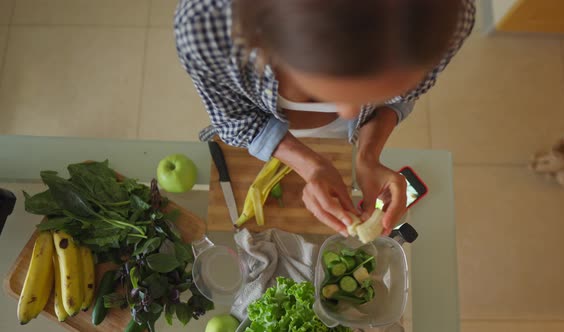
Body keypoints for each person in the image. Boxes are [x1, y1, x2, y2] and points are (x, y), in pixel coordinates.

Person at [175, 0, 475, 236]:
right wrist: (308, 163)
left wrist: (367, 157)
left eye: (375, 94)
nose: (351, 115)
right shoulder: (205, 28)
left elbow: (403, 98)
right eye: (316, 93)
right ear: (264, 43)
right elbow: (238, 120)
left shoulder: (452, 19)